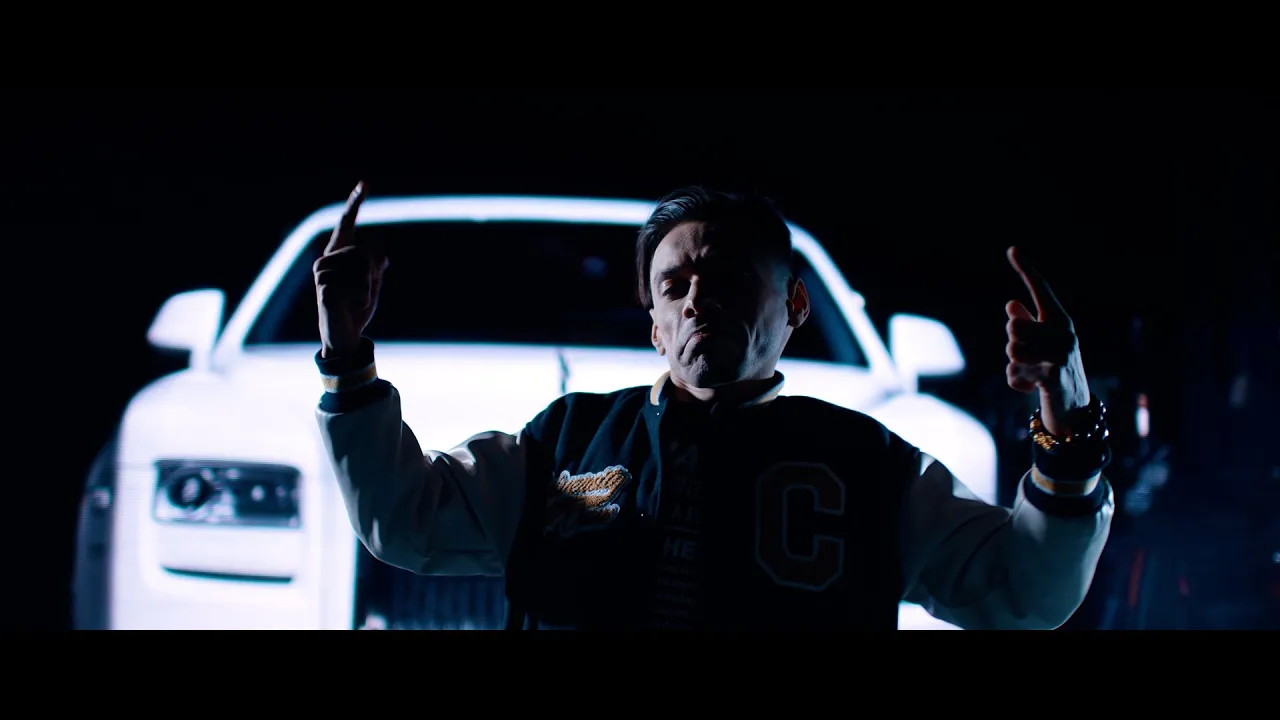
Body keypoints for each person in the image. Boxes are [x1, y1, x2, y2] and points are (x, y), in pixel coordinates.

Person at [313, 181, 1114, 631]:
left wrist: (1068, 418)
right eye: (674, 285)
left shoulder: (871, 464)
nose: (697, 300)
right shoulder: (564, 440)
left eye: (728, 277)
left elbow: (1026, 590)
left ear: (794, 305)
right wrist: (346, 354)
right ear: (654, 323)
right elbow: (406, 520)